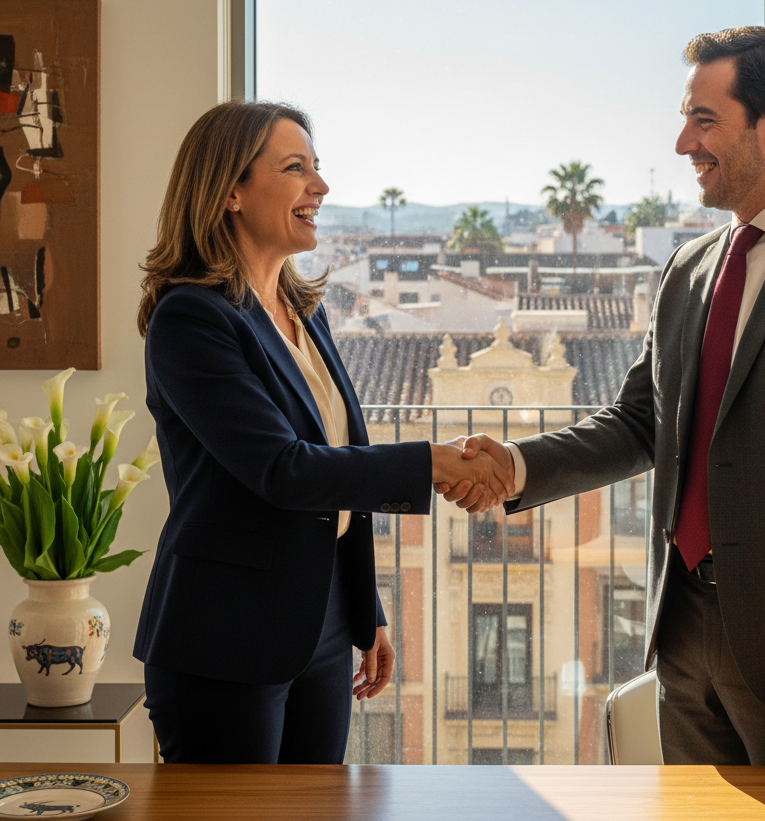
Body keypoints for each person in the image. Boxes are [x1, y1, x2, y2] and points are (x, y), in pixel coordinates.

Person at [442, 26, 765, 765]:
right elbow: (641, 421)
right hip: (683, 636)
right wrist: (514, 465)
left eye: (704, 121)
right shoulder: (688, 267)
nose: (682, 144)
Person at [134, 100, 510, 764]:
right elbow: (285, 470)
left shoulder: (304, 312)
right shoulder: (190, 320)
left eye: (317, 166)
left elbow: (340, 461)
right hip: (225, 633)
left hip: (324, 620)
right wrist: (432, 461)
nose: (321, 186)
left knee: (319, 807)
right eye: (295, 168)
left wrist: (365, 610)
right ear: (229, 191)